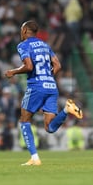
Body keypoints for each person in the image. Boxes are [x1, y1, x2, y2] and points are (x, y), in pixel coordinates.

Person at [5, 20, 83, 166]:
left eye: (22, 29)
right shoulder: (45, 45)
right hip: (51, 86)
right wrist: (47, 77)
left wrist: (13, 72)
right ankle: (67, 109)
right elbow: (58, 65)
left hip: (36, 86)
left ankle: (34, 158)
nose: (21, 32)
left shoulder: (23, 45)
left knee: (24, 120)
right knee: (50, 127)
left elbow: (29, 66)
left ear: (26, 31)